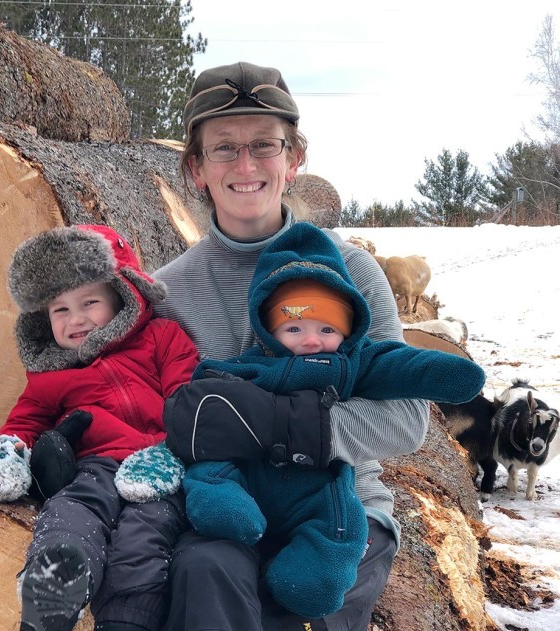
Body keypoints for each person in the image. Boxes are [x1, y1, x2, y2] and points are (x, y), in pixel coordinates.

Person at [149, 60, 433, 630]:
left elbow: (406, 421)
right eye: (224, 148)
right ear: (196, 168)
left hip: (341, 508)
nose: (246, 164)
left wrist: (290, 429)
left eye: (264, 144)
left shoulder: (352, 271)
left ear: (295, 159)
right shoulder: (171, 291)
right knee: (203, 576)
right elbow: (168, 418)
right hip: (228, 509)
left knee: (305, 602)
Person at [164, 220, 485, 619]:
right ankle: (225, 507)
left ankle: (311, 579)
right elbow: (189, 402)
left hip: (334, 491)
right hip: (244, 482)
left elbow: (405, 404)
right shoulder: (170, 289)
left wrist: (273, 423)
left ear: (293, 160)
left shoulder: (359, 282)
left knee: (327, 556)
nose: (311, 340)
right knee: (206, 563)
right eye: (294, 327)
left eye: (327, 327)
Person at [0, 224, 199, 631]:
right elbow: (25, 420)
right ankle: (50, 597)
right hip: (93, 468)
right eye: (60, 309)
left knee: (143, 539)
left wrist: (172, 449)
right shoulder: (51, 373)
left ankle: (126, 621)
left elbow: (188, 398)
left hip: (162, 469)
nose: (75, 319)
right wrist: (8, 452)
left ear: (121, 298)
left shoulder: (160, 338)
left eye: (89, 302)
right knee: (70, 513)